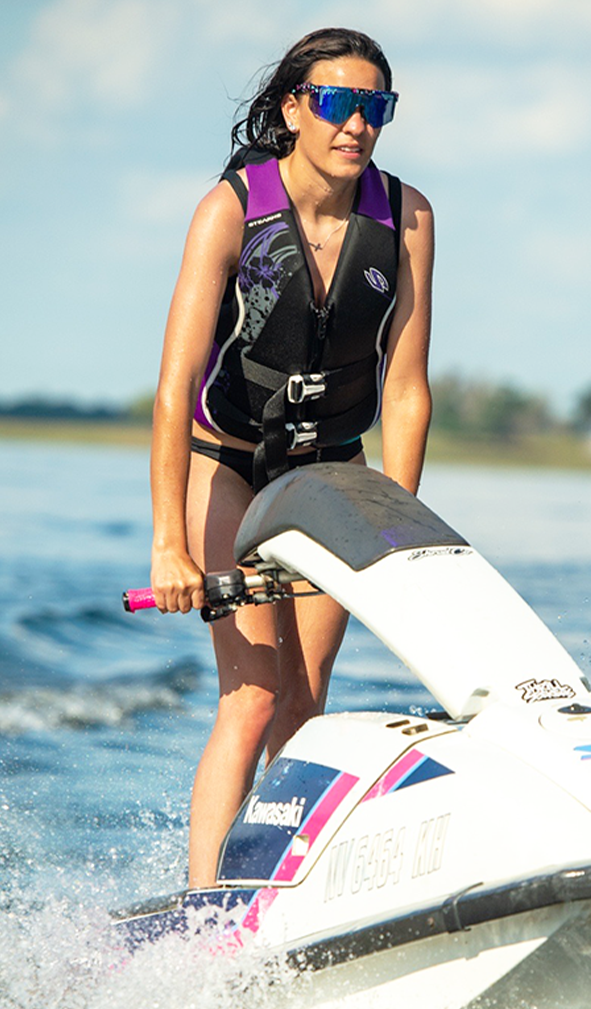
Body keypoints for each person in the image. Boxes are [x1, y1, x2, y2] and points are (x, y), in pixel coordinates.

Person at [148, 28, 434, 888]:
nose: (357, 125)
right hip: (228, 463)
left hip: (332, 474)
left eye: (375, 107)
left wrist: (394, 534)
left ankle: (276, 888)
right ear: (293, 110)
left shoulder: (407, 216)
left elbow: (405, 389)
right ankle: (206, 904)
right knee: (255, 695)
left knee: (305, 701)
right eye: (338, 103)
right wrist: (169, 545)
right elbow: (174, 388)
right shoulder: (231, 209)